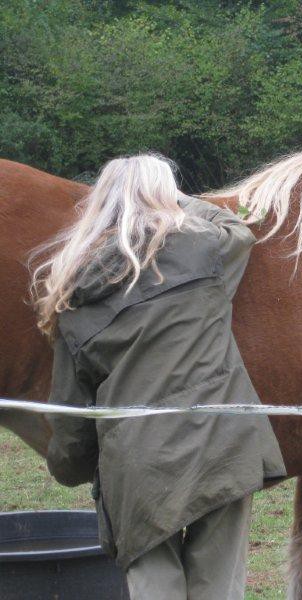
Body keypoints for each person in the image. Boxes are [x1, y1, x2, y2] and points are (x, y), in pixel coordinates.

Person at [30, 154, 285, 600]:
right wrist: (184, 204)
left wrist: (67, 468)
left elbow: (72, 417)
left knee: (153, 590)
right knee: (218, 588)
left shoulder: (70, 295)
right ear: (167, 197)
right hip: (220, 440)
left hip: (136, 463)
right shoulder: (203, 246)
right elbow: (239, 232)